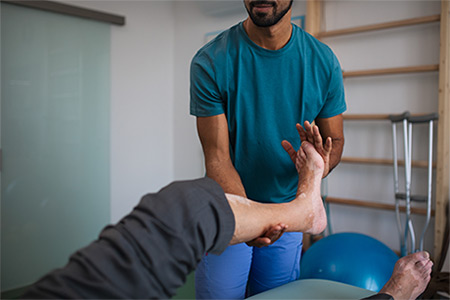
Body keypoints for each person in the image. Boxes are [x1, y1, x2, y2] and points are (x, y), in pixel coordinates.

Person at [21, 142, 432, 300]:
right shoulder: (214, 60)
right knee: (188, 204)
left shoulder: (315, 60)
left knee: (187, 201)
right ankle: (304, 209)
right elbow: (216, 153)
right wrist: (392, 296)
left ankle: (301, 208)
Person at [190, 0, 346, 297]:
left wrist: (315, 167)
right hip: (230, 210)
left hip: (288, 214)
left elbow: (334, 142)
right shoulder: (211, 60)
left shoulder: (323, 61)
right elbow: (218, 158)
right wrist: (252, 221)